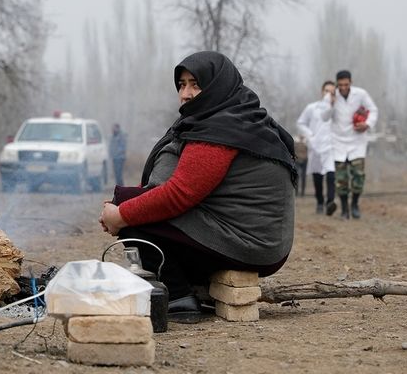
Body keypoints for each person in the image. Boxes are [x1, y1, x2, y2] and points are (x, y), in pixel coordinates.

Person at [99, 51, 297, 323]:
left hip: (252, 244)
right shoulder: (235, 116)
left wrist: (119, 215)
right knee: (133, 202)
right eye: (181, 85)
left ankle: (179, 297)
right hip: (254, 238)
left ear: (217, 85)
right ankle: (191, 285)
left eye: (196, 84)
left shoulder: (220, 129)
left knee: (134, 215)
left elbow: (177, 195)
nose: (186, 93)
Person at [322, 70, 378, 219]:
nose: (343, 87)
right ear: (337, 84)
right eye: (340, 85)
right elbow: (324, 117)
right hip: (338, 143)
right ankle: (344, 209)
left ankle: (354, 204)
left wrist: (367, 124)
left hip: (357, 141)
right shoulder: (331, 96)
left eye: (346, 84)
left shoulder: (361, 94)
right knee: (341, 180)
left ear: (351, 82)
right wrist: (331, 103)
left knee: (359, 176)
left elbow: (373, 109)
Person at [297, 81, 337, 215]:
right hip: (315, 146)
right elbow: (301, 123)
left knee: (331, 173)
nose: (329, 94)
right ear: (322, 91)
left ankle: (330, 202)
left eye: (332, 92)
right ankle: (320, 201)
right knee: (317, 176)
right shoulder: (312, 108)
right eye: (327, 91)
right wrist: (310, 135)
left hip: (331, 147)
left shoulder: (336, 109)